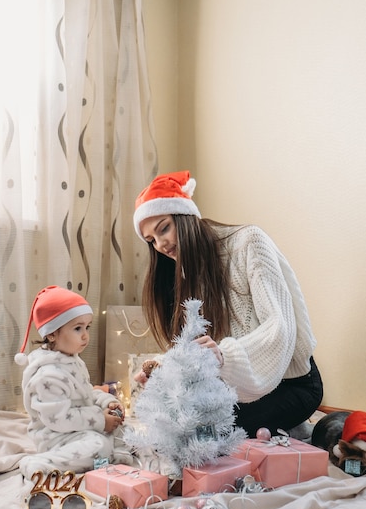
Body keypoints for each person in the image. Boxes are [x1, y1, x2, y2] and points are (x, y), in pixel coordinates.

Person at [133, 170, 323, 438]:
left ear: (185, 217)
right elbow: (198, 349)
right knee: (175, 423)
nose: (161, 244)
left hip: (294, 384)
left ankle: (301, 432)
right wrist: (162, 368)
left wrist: (224, 356)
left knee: (208, 432)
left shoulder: (248, 242)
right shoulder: (185, 273)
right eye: (151, 240)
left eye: (164, 228)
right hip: (238, 391)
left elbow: (280, 327)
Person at [14, 285, 134, 479]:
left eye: (87, 327)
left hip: (81, 425)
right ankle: (40, 463)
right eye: (77, 328)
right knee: (98, 445)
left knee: (127, 430)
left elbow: (86, 393)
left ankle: (118, 454)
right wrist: (100, 420)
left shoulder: (72, 359)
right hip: (57, 435)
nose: (85, 335)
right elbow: (60, 419)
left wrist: (105, 402)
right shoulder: (48, 375)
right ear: (52, 334)